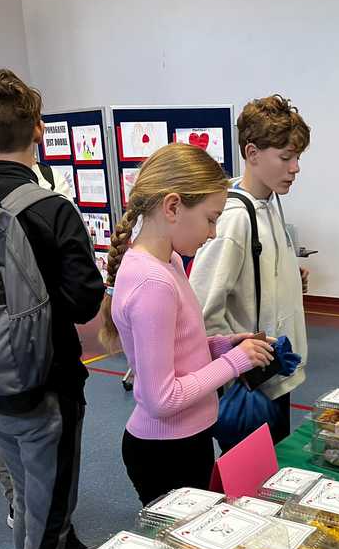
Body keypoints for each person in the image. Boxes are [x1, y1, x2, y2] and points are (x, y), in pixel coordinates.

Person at [99, 142, 274, 506]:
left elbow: (175, 351)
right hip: (166, 451)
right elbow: (162, 398)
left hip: (187, 439)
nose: (212, 233)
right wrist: (234, 363)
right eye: (211, 219)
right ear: (174, 206)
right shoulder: (154, 283)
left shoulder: (170, 262)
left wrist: (221, 346)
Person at [0, 69, 104, 549]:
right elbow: (85, 301)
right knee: (51, 512)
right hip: (48, 387)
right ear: (38, 131)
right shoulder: (48, 206)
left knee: (22, 495)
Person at [189, 94, 310, 445]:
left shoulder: (270, 204)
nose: (295, 167)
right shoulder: (233, 218)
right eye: (285, 157)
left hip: (276, 372)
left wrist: (285, 277)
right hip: (252, 383)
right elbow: (204, 310)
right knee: (251, 487)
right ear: (252, 153)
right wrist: (235, 367)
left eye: (298, 157)